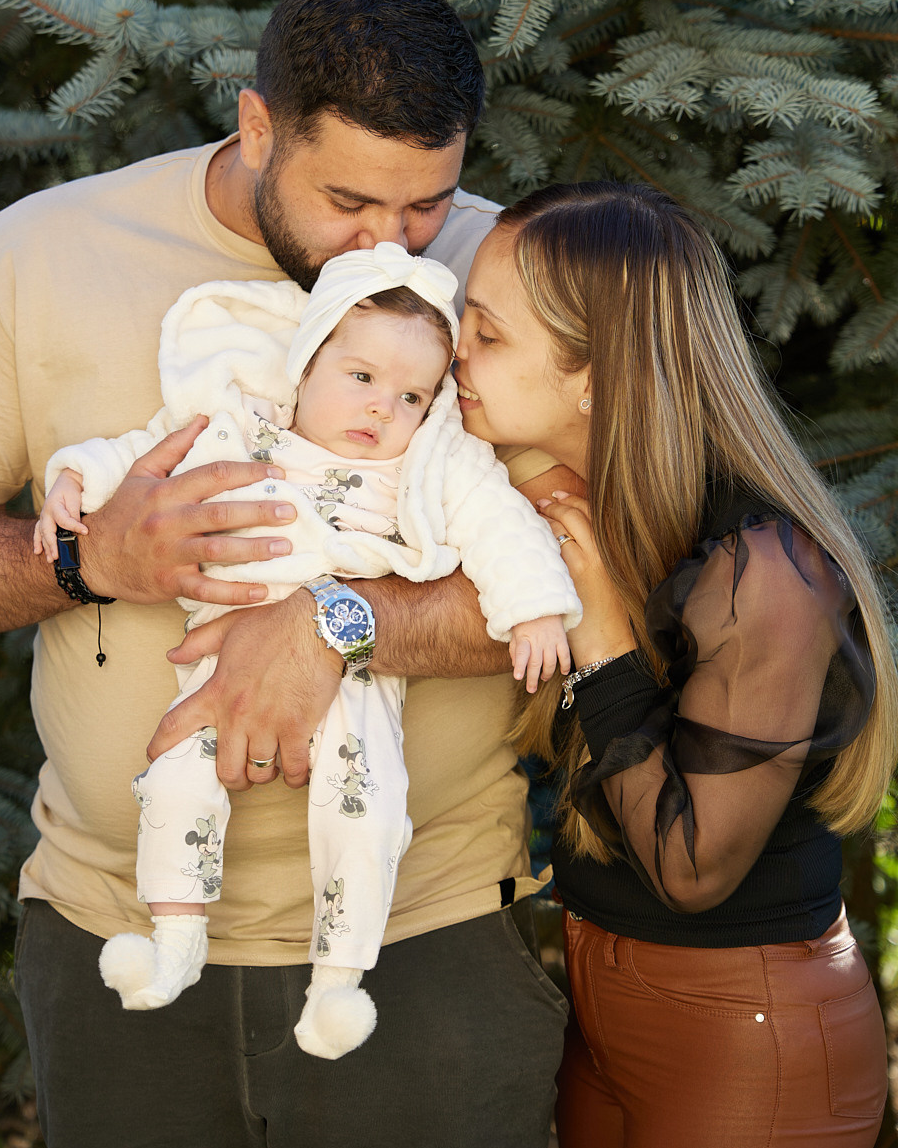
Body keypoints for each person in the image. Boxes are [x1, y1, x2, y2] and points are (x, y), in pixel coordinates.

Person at [0, 0, 572, 1148]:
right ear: (258, 127)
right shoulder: (43, 254)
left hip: (430, 940)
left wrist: (338, 622)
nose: (390, 247)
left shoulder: (507, 277)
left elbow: (596, 561)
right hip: (115, 941)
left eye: (427, 202)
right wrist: (82, 563)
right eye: (352, 200)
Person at [34, 243, 578, 1058]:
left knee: (365, 810)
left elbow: (505, 527)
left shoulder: (432, 461)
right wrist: (74, 483)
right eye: (360, 378)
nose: (381, 410)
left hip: (357, 671)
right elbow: (137, 454)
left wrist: (533, 609)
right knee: (177, 780)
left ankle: (337, 982)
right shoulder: (238, 423)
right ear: (309, 361)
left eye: (411, 395)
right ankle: (174, 940)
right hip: (219, 666)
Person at [454, 180, 896, 1148]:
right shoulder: (590, 495)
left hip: (746, 1032)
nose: (454, 358)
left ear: (596, 377)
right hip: (601, 1008)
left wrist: (606, 638)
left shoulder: (765, 573)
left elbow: (691, 869)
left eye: (486, 335)